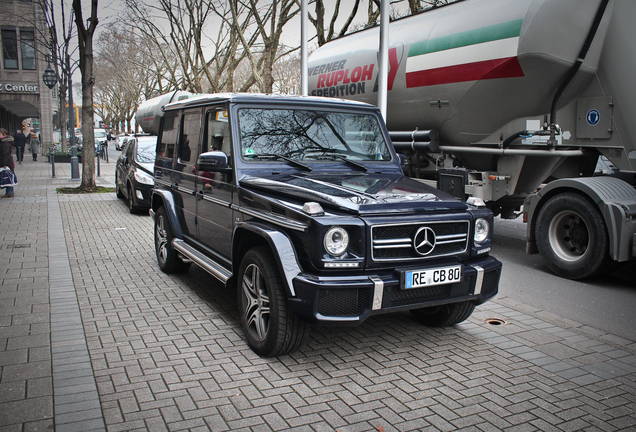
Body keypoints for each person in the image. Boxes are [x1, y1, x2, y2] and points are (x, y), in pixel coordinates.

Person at [0, 128, 15, 198]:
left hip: (6, 163)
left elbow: (6, 154)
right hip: (7, 162)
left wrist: (4, 164)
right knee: (7, 177)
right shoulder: (4, 142)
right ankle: (10, 192)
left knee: (7, 176)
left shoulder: (5, 143)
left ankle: (9, 192)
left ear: (3, 134)